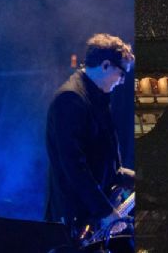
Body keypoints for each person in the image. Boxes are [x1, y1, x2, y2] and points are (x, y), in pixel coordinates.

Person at [45, 33, 135, 248]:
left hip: (96, 207)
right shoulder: (70, 99)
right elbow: (74, 166)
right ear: (105, 65)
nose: (122, 81)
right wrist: (105, 211)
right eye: (121, 74)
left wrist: (124, 175)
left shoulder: (96, 95)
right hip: (79, 215)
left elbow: (102, 153)